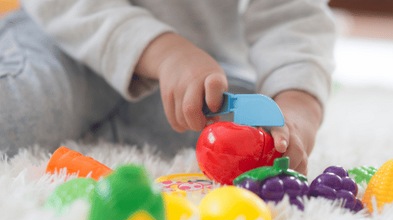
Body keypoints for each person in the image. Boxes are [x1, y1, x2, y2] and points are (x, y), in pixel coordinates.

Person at [0, 0, 336, 175]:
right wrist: (163, 51)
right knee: (23, 113)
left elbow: (292, 15)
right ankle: (89, 115)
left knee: (248, 141)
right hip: (67, 38)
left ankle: (94, 119)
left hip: (201, 68)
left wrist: (297, 103)